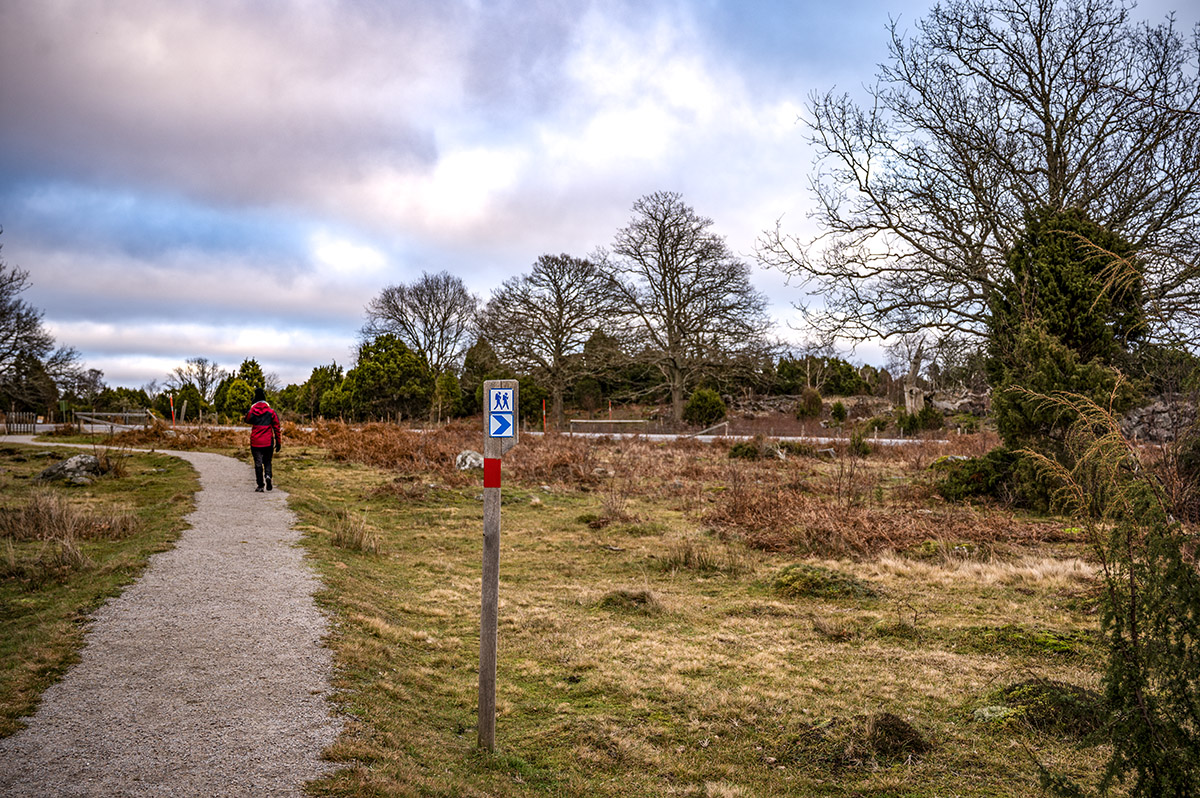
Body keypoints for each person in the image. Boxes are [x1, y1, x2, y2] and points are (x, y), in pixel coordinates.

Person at [245, 387, 281, 492]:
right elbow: (277, 427)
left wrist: (251, 408)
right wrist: (278, 442)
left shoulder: (252, 411)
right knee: (267, 461)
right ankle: (268, 476)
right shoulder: (271, 412)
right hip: (268, 441)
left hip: (256, 441)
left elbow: (247, 419)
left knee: (258, 463)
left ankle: (260, 485)